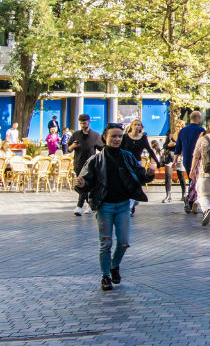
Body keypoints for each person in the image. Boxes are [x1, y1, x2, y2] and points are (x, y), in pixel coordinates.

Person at [74, 123, 156, 291]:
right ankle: (105, 276)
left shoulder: (127, 156)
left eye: (120, 136)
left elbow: (139, 174)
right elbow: (86, 182)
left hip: (123, 205)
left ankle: (114, 265)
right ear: (105, 137)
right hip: (105, 206)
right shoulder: (96, 160)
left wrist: (147, 175)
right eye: (114, 136)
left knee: (124, 242)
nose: (117, 139)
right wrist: (82, 184)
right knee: (106, 243)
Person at [119, 119, 158, 216]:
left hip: (137, 163)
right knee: (127, 184)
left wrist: (157, 161)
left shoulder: (143, 137)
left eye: (139, 125)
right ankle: (129, 206)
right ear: (131, 126)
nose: (137, 127)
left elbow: (150, 150)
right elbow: (120, 150)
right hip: (126, 163)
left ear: (141, 127)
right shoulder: (125, 137)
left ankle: (133, 203)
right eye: (135, 125)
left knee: (136, 184)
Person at [67, 114, 103, 216]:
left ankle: (82, 205)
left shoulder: (95, 136)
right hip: (78, 163)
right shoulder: (76, 135)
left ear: (89, 122)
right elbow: (68, 149)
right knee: (81, 184)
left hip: (92, 164)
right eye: (81, 123)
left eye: (84, 123)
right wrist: (73, 146)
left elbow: (102, 149)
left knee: (90, 185)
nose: (83, 125)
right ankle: (84, 205)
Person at [175, 111, 205, 204]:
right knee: (195, 182)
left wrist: (174, 161)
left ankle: (190, 199)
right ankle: (190, 200)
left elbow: (178, 147)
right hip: (198, 160)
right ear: (197, 118)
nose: (201, 120)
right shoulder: (201, 130)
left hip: (186, 160)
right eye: (200, 118)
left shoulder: (182, 130)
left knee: (191, 179)